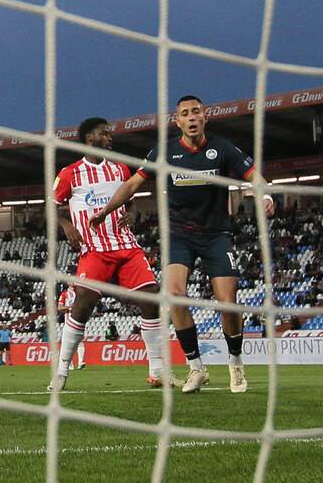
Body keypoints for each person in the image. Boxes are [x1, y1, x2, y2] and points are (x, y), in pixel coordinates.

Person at [91, 95, 275, 394]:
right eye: (185, 113)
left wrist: (265, 195)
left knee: (228, 303)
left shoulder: (223, 149)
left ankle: (236, 364)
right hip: (180, 236)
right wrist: (105, 210)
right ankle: (196, 368)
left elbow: (254, 176)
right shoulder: (164, 152)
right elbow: (132, 185)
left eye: (196, 112)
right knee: (174, 295)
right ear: (177, 121)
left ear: (205, 117)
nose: (191, 117)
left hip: (216, 235)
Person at [49, 117, 176, 392]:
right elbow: (51, 206)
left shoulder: (120, 169)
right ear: (88, 138)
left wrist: (131, 214)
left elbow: (131, 200)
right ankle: (61, 372)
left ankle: (157, 370)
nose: (110, 137)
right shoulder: (70, 173)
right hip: (94, 249)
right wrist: (66, 224)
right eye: (104, 133)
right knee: (83, 303)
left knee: (151, 296)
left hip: (126, 246)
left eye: (110, 133)